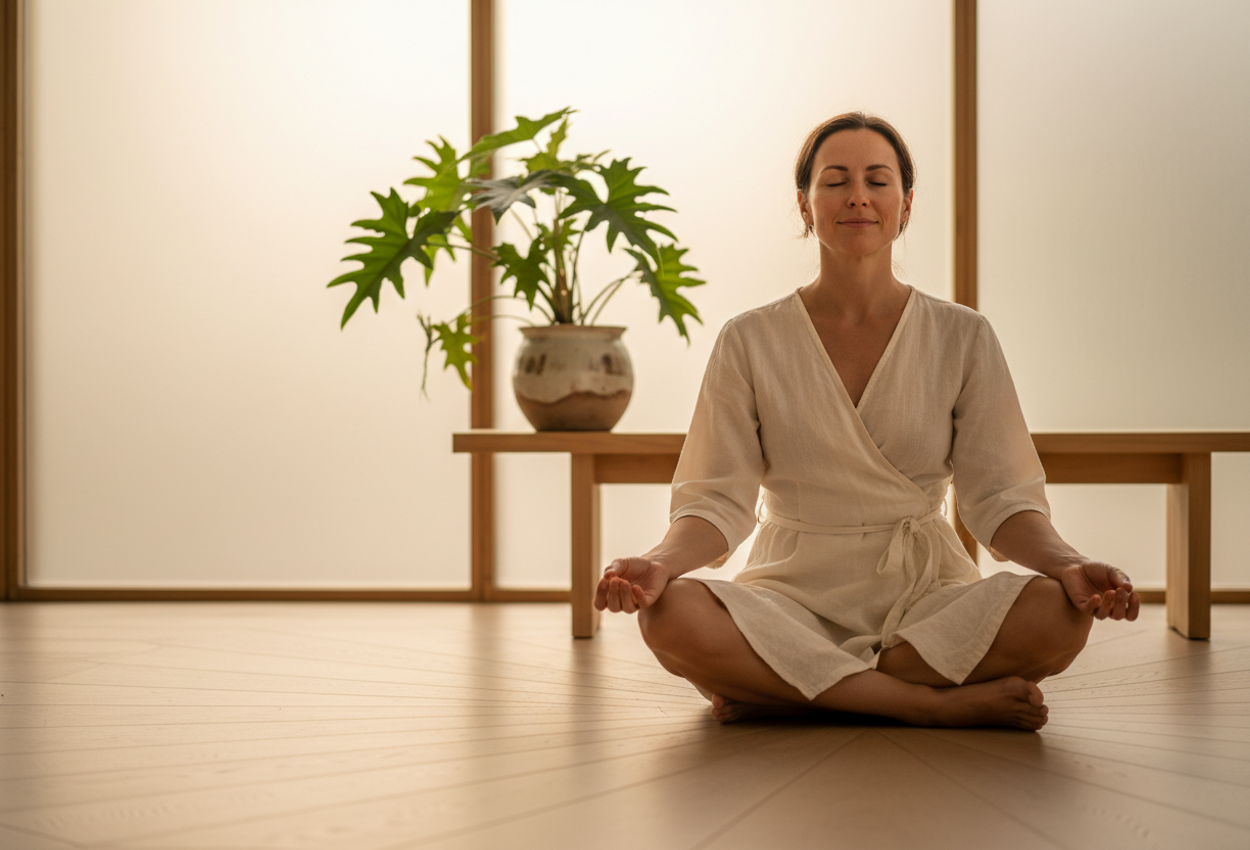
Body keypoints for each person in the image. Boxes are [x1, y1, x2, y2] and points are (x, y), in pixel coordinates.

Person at [593, 112, 1140, 731]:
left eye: (878, 181)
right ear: (805, 205)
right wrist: (661, 562)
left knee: (1060, 614)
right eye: (836, 181)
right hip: (790, 593)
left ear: (905, 205)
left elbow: (1000, 498)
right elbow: (717, 500)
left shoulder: (963, 335)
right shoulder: (749, 339)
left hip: (926, 594)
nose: (858, 196)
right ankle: (923, 704)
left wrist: (1068, 565)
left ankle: (788, 687)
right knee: (669, 616)